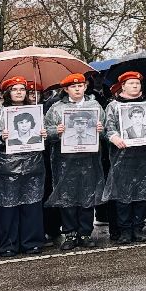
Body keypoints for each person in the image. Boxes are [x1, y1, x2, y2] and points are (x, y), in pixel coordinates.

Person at [0, 76, 47, 256]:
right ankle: (8, 245)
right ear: (7, 93)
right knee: (8, 208)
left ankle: (32, 243)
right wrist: (0, 137)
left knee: (32, 205)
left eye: (22, 89)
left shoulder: (35, 111)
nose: (19, 92)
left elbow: (44, 137)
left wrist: (44, 134)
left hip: (33, 166)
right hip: (6, 169)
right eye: (14, 89)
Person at [45, 73, 104, 249]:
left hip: (89, 159)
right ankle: (70, 234)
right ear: (66, 89)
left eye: (80, 86)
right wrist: (56, 131)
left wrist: (101, 128)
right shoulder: (56, 108)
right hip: (65, 160)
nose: (77, 89)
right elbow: (45, 132)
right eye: (73, 86)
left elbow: (106, 129)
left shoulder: (95, 106)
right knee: (67, 196)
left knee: (87, 195)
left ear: (85, 87)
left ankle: (85, 233)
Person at [103, 72, 146, 244]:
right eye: (131, 83)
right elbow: (108, 128)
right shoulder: (113, 106)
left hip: (145, 156)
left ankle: (138, 228)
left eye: (137, 83)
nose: (135, 86)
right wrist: (113, 137)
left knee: (141, 193)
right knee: (123, 194)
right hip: (122, 157)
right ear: (123, 86)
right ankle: (125, 230)